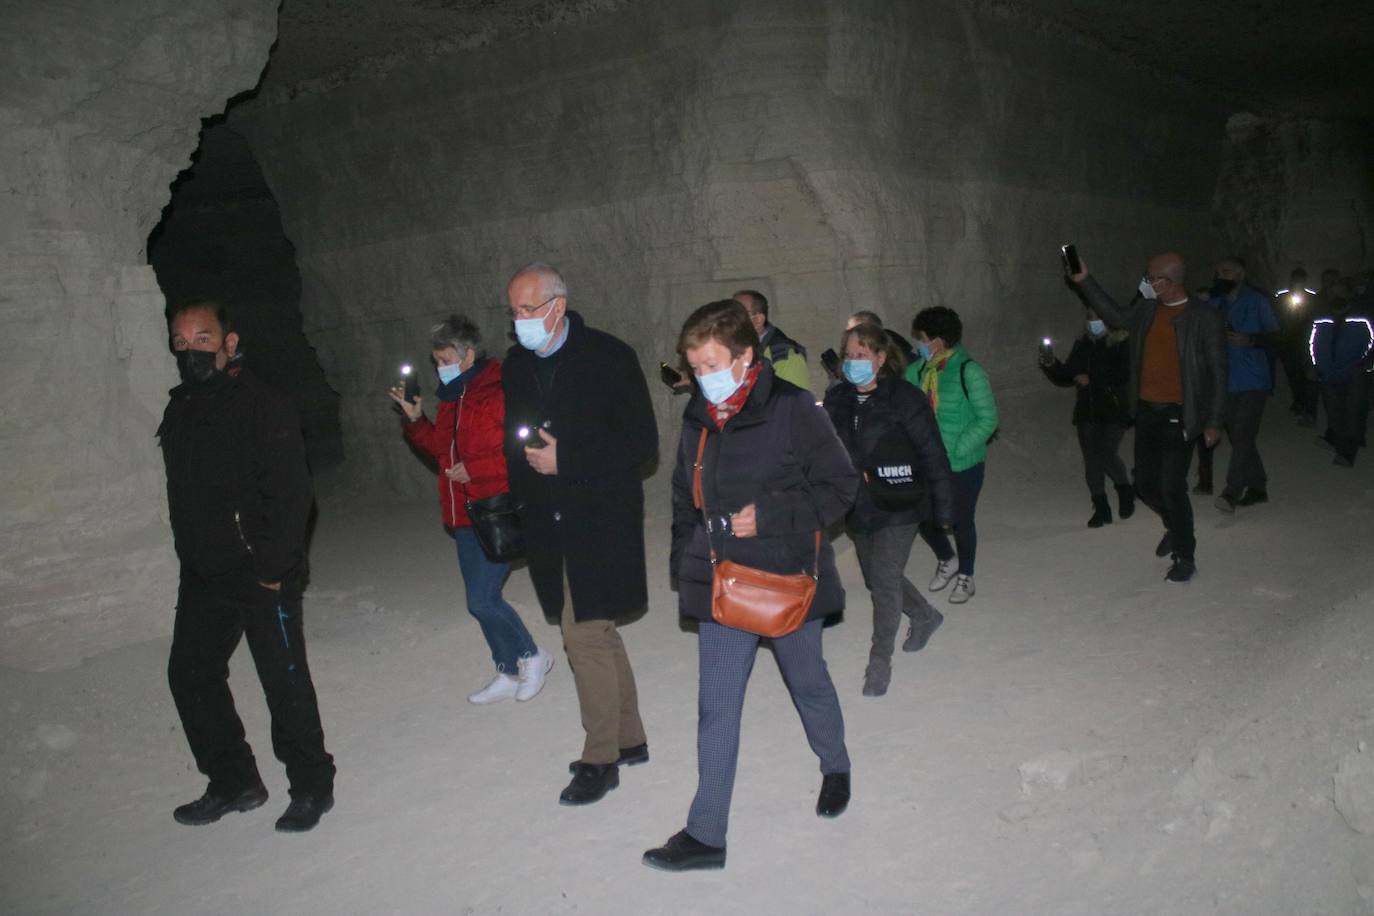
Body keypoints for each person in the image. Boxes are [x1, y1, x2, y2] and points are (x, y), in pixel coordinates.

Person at [644, 299, 857, 872]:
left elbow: (841, 488)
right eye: (696, 367)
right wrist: (683, 569)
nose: (704, 379)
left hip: (786, 580)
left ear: (745, 356)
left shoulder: (794, 410)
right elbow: (682, 499)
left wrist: (769, 516)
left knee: (807, 681)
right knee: (716, 709)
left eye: (713, 365)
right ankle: (706, 835)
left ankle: (835, 765)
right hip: (721, 583)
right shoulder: (699, 415)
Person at [158, 300, 335, 832]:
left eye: (203, 339)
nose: (192, 351)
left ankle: (311, 786)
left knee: (282, 680)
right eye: (181, 343)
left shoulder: (262, 404)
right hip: (205, 572)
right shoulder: (180, 409)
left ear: (229, 343)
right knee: (189, 673)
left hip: (262, 569)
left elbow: (291, 491)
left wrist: (273, 567)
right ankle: (234, 781)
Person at [501, 263, 657, 806]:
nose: (518, 321)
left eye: (528, 310)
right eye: (513, 311)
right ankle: (630, 739)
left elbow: (641, 443)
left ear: (557, 307)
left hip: (601, 516)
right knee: (599, 632)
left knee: (583, 636)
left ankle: (601, 759)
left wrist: (569, 458)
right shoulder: (516, 366)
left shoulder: (610, 357)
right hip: (548, 518)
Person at [388, 315, 552, 705]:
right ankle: (508, 669)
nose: (439, 365)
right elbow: (441, 453)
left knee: (482, 599)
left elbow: (519, 452)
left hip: (495, 507)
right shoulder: (451, 397)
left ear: (468, 355)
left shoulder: (498, 390)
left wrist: (475, 470)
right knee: (478, 601)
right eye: (436, 359)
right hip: (461, 512)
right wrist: (415, 421)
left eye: (445, 357)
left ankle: (532, 655)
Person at [1068, 253, 1226, 583]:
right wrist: (1084, 280)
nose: (1147, 283)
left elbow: (1218, 372)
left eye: (1153, 279)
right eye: (1148, 277)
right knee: (1144, 484)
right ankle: (1175, 524)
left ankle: (1186, 554)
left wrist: (1213, 420)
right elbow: (1115, 315)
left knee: (1171, 486)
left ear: (1172, 282)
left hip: (1180, 413)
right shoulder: (1147, 310)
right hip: (1147, 411)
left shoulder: (1202, 318)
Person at [824, 322, 955, 697]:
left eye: (862, 356)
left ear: (881, 359)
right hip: (859, 505)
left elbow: (932, 453)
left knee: (883, 578)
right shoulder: (837, 400)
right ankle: (926, 615)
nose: (854, 363)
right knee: (877, 576)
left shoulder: (906, 398)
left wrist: (944, 509)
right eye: (849, 356)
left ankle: (879, 662)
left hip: (900, 500)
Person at [903, 306, 999, 604]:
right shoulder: (915, 371)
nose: (917, 343)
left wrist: (956, 448)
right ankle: (947, 557)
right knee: (921, 514)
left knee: (960, 519)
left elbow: (988, 419)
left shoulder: (969, 372)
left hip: (962, 464)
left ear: (937, 341)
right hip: (925, 461)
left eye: (921, 338)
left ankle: (966, 575)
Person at [1039, 309, 1134, 527]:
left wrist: (1092, 379)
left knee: (1107, 453)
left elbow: (1122, 375)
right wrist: (1051, 363)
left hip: (1113, 409)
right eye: (1089, 319)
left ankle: (1124, 488)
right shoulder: (1082, 346)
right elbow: (1067, 375)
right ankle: (1101, 508)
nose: (1092, 323)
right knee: (1092, 459)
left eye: (1097, 319)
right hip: (1087, 411)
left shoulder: (1121, 345)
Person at [1207, 256, 1281, 511]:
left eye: (1227, 271)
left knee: (1243, 433)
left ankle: (1231, 492)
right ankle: (1258, 485)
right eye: (1219, 272)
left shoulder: (1258, 301)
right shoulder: (1215, 304)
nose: (1221, 276)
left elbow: (1276, 338)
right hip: (1225, 380)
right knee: (1240, 436)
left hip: (1253, 379)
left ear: (1240, 274)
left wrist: (1250, 340)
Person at [1310, 276, 1373, 467]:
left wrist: (1366, 365)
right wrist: (1314, 366)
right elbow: (1311, 343)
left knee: (1353, 412)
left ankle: (1346, 453)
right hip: (1328, 372)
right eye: (1333, 292)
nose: (1336, 295)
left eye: (1340, 292)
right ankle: (1341, 443)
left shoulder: (1363, 316)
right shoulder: (1321, 317)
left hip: (1356, 373)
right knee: (1335, 413)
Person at [733, 289, 810, 389]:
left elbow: (793, 402)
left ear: (757, 320)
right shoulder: (735, 354)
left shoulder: (785, 357)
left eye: (736, 315)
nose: (728, 321)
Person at [1274, 267, 1319, 419]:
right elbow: (1277, 317)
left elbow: (1315, 317)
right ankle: (1298, 400)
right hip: (1288, 341)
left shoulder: (1312, 298)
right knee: (1292, 374)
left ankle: (1305, 402)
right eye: (1296, 280)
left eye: (1301, 280)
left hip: (1306, 340)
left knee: (1305, 373)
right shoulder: (1282, 297)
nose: (1298, 283)